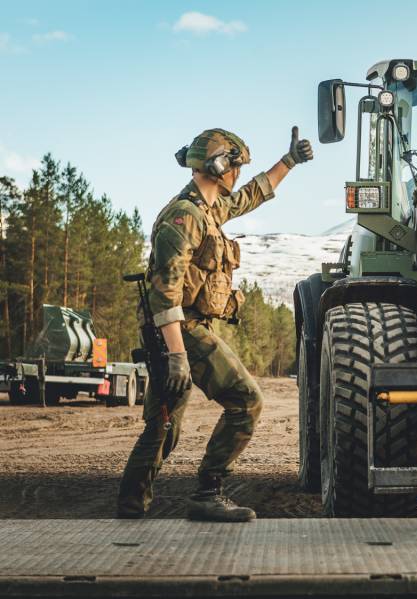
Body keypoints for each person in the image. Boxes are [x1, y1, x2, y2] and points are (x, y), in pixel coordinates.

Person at [116, 127, 313, 522]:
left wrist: (288, 162)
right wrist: (176, 357)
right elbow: (164, 296)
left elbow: (252, 195)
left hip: (179, 333)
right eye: (235, 165)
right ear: (220, 166)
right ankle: (207, 493)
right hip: (179, 332)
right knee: (246, 401)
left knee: (163, 427)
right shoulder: (183, 218)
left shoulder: (206, 209)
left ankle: (130, 508)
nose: (238, 174)